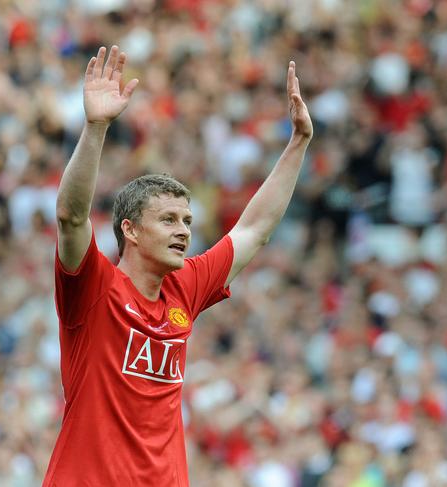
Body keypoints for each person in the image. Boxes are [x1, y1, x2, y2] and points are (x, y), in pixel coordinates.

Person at [43, 45, 313, 486]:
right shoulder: (93, 286)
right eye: (168, 220)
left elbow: (254, 230)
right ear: (129, 230)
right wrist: (95, 128)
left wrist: (298, 143)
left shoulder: (184, 287)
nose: (183, 231)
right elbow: (71, 216)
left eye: (187, 220)